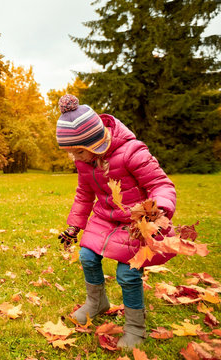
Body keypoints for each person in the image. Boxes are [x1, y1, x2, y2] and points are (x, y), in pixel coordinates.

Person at [55, 94, 176, 349]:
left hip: (135, 220)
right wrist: (74, 225)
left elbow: (160, 184)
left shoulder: (132, 152)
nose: (74, 159)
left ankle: (134, 326)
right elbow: (84, 195)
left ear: (95, 143)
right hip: (105, 217)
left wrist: (159, 210)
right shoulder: (84, 163)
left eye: (78, 152)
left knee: (127, 272)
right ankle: (97, 302)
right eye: (70, 153)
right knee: (87, 256)